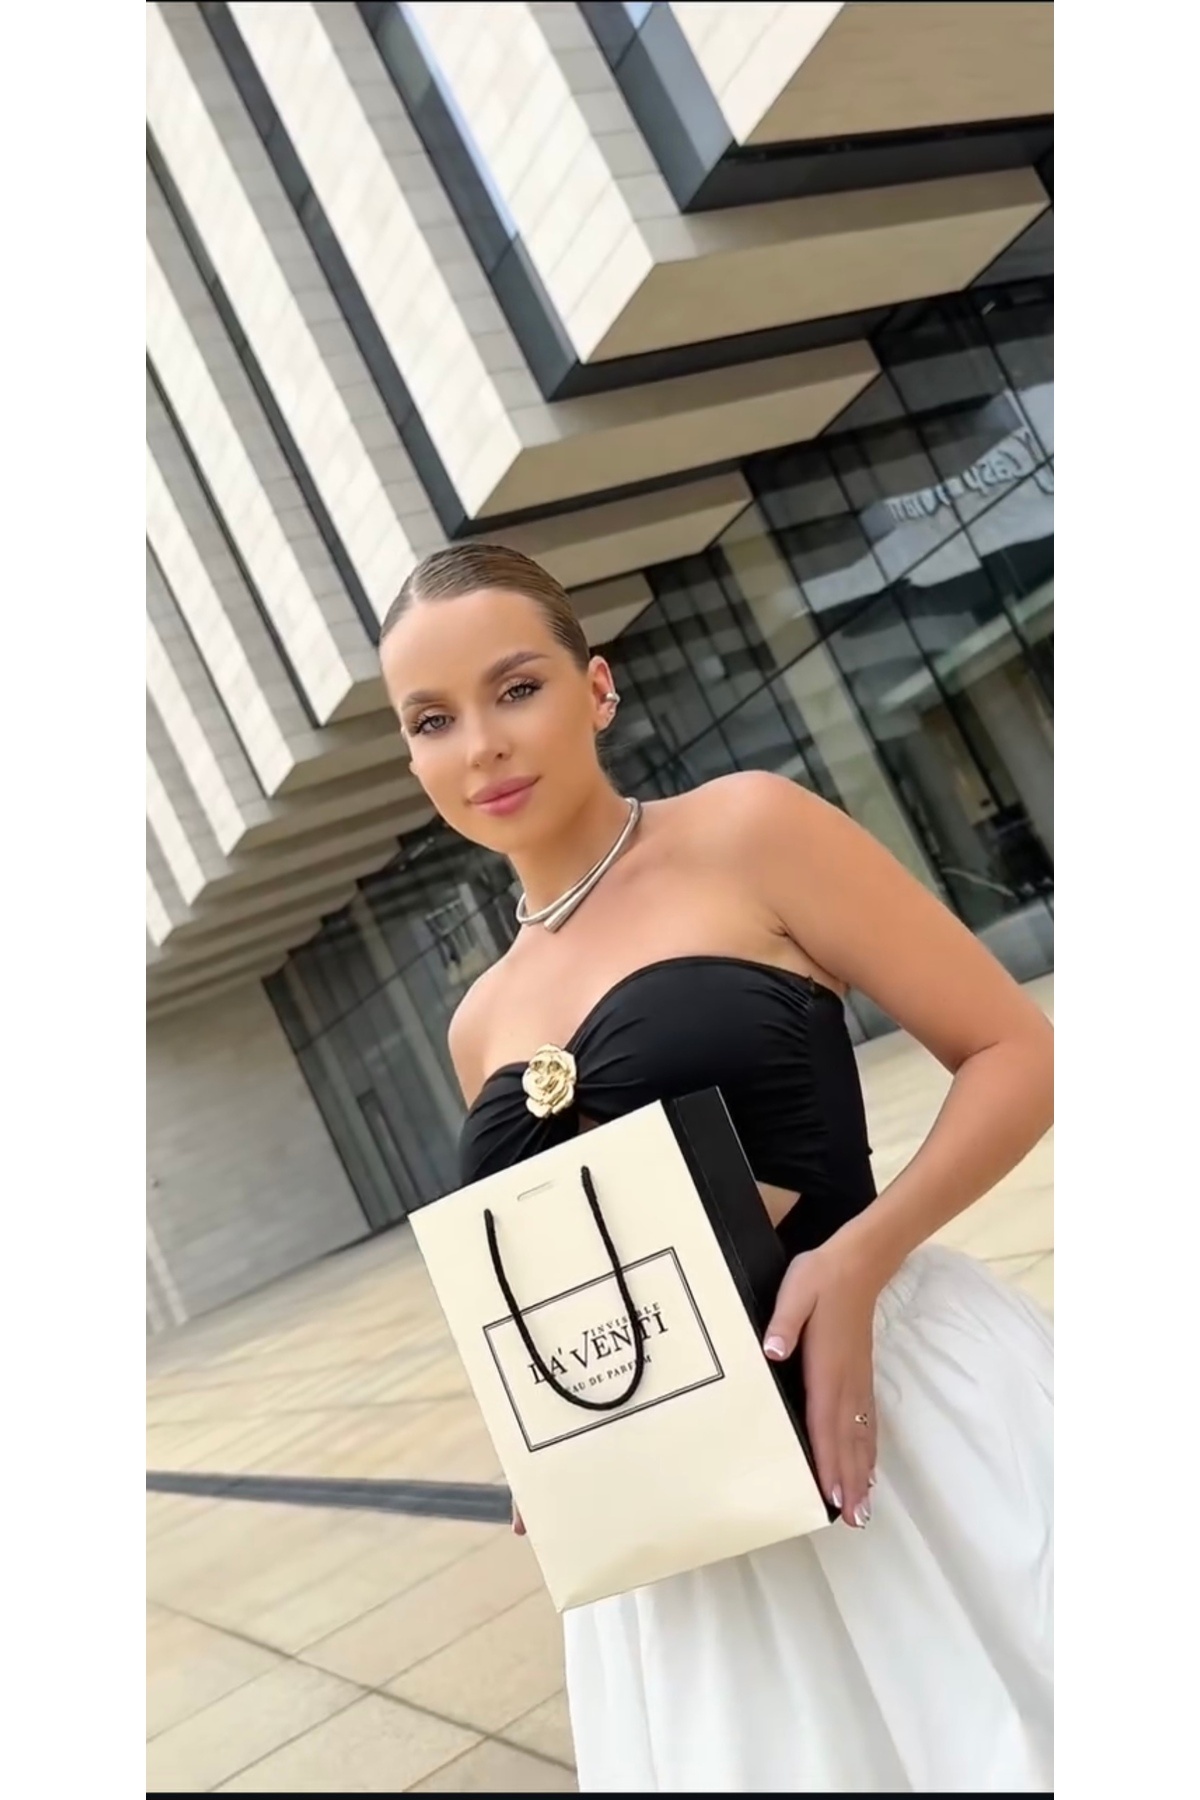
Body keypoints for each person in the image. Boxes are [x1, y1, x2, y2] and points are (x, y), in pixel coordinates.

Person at [379, 543, 1054, 1794]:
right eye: (433, 720)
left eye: (516, 689)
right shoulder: (477, 1021)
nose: (481, 745)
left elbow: (1017, 1053)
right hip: (684, 1522)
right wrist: (546, 1424)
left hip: (900, 1417)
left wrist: (861, 1256)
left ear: (597, 688)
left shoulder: (749, 830)